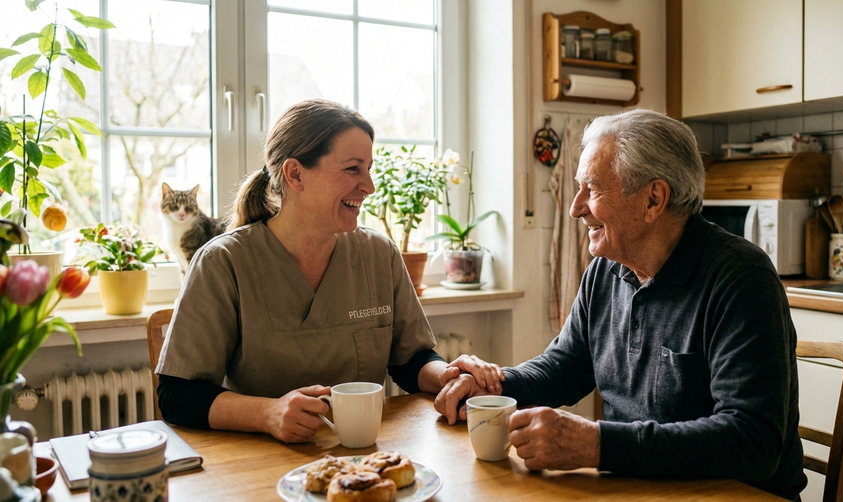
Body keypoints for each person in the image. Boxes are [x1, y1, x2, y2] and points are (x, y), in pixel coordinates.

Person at [434, 109, 806, 500]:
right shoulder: (606, 270)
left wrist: (597, 444)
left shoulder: (741, 278)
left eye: (591, 190)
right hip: (638, 488)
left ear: (653, 199)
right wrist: (492, 385)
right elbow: (564, 368)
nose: (576, 207)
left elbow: (752, 442)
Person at [156, 99, 502, 443]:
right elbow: (177, 395)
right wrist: (268, 413)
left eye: (369, 168)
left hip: (363, 460)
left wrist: (448, 375)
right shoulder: (223, 263)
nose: (369, 185)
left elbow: (410, 361)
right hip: (264, 467)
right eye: (353, 169)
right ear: (295, 174)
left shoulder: (378, 255)